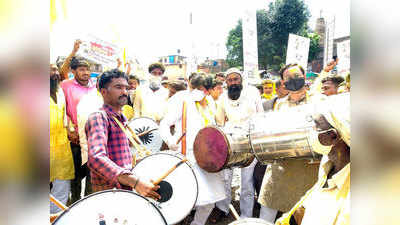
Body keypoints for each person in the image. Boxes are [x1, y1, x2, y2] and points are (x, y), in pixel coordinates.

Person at [160, 74, 226, 225]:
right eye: (200, 90)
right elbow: (164, 124)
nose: (204, 93)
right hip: (186, 157)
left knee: (210, 199)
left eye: (206, 90)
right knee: (184, 199)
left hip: (207, 158)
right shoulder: (181, 100)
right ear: (191, 87)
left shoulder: (209, 101)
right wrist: (170, 141)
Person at [258, 64, 320, 223]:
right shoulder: (280, 105)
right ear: (283, 82)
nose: (294, 80)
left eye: (297, 76)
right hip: (281, 168)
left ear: (304, 77)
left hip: (309, 170)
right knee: (267, 211)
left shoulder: (319, 101)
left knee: (306, 215)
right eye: (289, 78)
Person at [276, 93, 350, 225]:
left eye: (316, 126)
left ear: (333, 136)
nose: (311, 130)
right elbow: (302, 211)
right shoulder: (328, 166)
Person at [85, 69, 160, 199]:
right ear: (103, 92)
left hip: (124, 188)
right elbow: (96, 158)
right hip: (110, 191)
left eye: (126, 88)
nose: (124, 92)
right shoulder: (99, 117)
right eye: (118, 87)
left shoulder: (122, 118)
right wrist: (134, 182)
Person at [214, 68, 263, 222]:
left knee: (246, 181)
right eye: (230, 80)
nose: (233, 82)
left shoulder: (253, 92)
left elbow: (260, 115)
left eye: (236, 79)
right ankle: (223, 207)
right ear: (226, 82)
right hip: (231, 140)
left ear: (241, 80)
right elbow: (220, 121)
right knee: (225, 177)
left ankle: (245, 215)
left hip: (250, 140)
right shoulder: (222, 97)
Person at [60, 54, 96, 203]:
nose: (86, 73)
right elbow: (62, 109)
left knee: (92, 172)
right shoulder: (66, 85)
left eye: (87, 69)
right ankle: (74, 201)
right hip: (74, 137)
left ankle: (89, 201)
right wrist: (69, 129)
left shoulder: (95, 86)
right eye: (81, 69)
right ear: (73, 71)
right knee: (75, 173)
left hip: (93, 136)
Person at [50, 64, 75, 213]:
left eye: (54, 70)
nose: (54, 73)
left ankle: (55, 218)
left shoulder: (59, 91)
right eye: (50, 69)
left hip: (61, 147)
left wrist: (70, 129)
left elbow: (64, 115)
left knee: (62, 185)